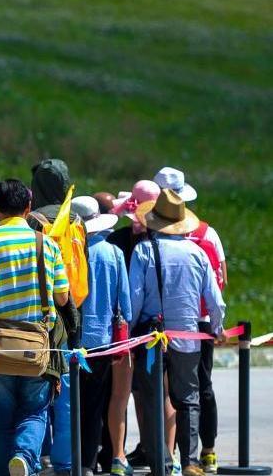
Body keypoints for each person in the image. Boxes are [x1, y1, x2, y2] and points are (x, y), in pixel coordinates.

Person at [0, 179, 70, 476]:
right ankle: (24, 457)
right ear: (28, 207)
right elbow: (63, 297)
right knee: (35, 412)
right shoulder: (46, 244)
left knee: (1, 420)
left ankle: (5, 468)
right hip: (37, 344)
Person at [129, 189, 226, 476]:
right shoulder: (197, 253)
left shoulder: (144, 251)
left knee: (152, 400)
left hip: (151, 338)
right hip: (188, 336)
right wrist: (217, 328)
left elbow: (135, 298)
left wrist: (129, 332)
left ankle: (161, 463)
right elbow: (215, 300)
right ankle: (190, 462)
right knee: (188, 400)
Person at [153, 167, 227, 473]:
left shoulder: (149, 239)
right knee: (198, 389)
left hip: (160, 326)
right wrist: (217, 325)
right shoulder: (208, 234)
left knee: (163, 391)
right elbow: (221, 280)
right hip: (200, 323)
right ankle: (202, 453)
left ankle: (169, 453)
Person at [28, 159, 83, 476]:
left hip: (39, 316)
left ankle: (34, 456)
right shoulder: (77, 220)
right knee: (67, 391)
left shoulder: (33, 221)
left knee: (36, 389)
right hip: (70, 311)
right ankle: (65, 460)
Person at [71, 196, 132, 476]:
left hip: (74, 338)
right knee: (102, 400)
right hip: (104, 337)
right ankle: (100, 458)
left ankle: (81, 460)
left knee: (78, 403)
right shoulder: (114, 253)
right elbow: (125, 304)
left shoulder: (72, 252)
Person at [105, 179, 163, 469]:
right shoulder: (163, 243)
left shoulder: (116, 241)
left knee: (120, 394)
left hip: (123, 329)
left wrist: (126, 324)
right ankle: (162, 455)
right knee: (156, 394)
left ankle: (119, 455)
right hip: (155, 330)